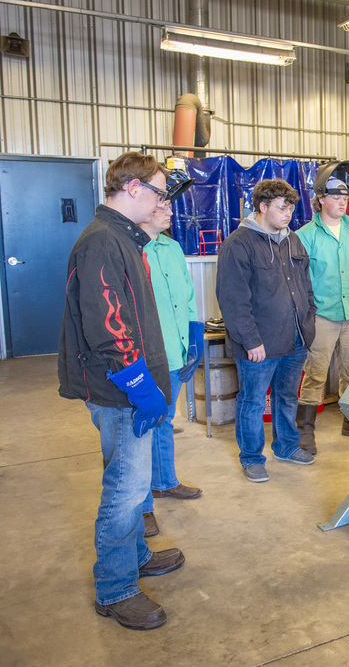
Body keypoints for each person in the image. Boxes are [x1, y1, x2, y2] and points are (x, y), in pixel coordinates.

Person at [58, 151, 186, 630]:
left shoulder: (124, 240)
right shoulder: (102, 242)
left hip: (135, 385)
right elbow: (110, 328)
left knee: (131, 486)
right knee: (126, 490)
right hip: (119, 391)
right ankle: (115, 589)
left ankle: (134, 557)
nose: (160, 200)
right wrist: (140, 387)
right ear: (132, 188)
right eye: (157, 190)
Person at [216, 179, 317, 483]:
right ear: (262, 207)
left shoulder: (293, 241)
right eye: (282, 208)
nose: (288, 214)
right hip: (259, 344)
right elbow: (233, 300)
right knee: (253, 401)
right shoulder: (239, 243)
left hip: (295, 338)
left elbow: (305, 287)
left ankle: (286, 446)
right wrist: (250, 340)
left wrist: (308, 321)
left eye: (291, 208)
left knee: (286, 397)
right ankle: (251, 457)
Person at [295, 161, 349, 451]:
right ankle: (305, 430)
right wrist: (308, 316)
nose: (342, 203)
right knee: (315, 373)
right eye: (336, 198)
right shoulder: (305, 236)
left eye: (345, 198)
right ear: (321, 200)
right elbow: (298, 282)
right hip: (321, 318)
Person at [137, 198, 204, 539]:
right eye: (161, 203)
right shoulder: (129, 248)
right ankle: (142, 506)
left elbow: (188, 295)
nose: (169, 210)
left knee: (164, 421)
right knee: (140, 433)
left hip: (175, 354)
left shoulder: (172, 247)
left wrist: (194, 334)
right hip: (145, 359)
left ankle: (164, 482)